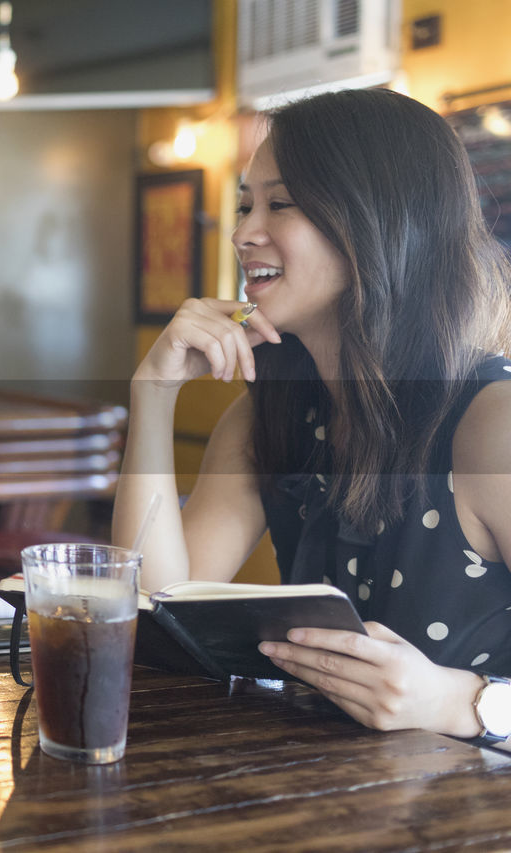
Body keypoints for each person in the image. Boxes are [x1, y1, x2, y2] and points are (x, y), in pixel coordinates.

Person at [113, 87, 511, 737]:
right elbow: (145, 613)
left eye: (280, 203)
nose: (243, 233)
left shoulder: (492, 423)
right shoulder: (268, 417)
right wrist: (153, 395)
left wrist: (456, 702)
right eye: (245, 205)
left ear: (376, 220)